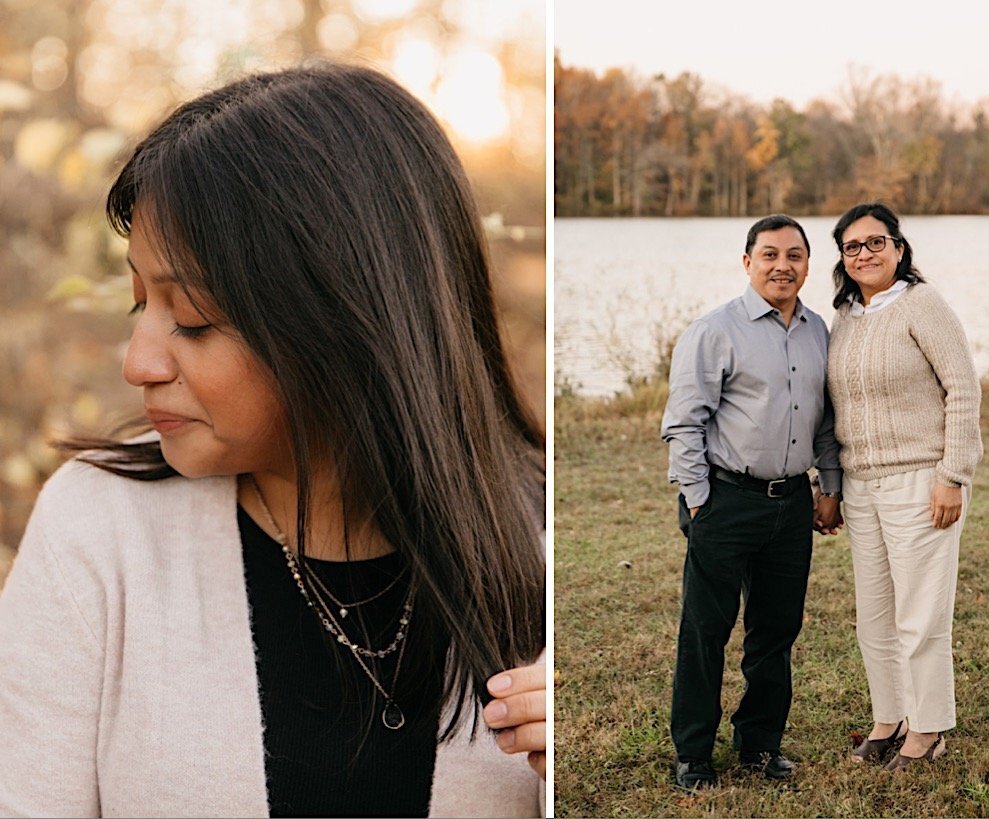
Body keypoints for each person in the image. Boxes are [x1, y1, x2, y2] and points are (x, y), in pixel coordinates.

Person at [0, 63, 546, 817]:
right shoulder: (99, 533)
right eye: (139, 304)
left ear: (342, 319)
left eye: (189, 317)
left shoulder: (552, 546)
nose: (139, 363)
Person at [660, 214, 842, 790]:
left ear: (808, 265)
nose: (782, 266)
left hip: (791, 503)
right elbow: (684, 423)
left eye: (794, 255)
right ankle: (693, 754)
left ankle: (759, 745)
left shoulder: (819, 332)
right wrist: (697, 499)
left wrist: (828, 487)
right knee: (705, 631)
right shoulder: (714, 330)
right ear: (747, 263)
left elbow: (825, 422)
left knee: (775, 633)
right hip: (725, 500)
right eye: (769, 255)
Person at [827, 201, 982, 770]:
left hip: (922, 480)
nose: (864, 253)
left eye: (875, 242)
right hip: (862, 487)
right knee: (875, 616)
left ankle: (929, 729)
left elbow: (963, 391)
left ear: (898, 246)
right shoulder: (846, 314)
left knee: (920, 615)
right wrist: (834, 482)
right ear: (842, 259)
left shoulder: (923, 304)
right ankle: (888, 718)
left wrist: (953, 476)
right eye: (852, 246)